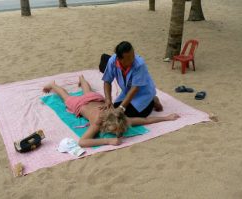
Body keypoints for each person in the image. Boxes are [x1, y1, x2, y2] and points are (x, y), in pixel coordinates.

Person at [43, 75, 180, 147]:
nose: (117, 133)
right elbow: (82, 142)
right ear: (105, 125)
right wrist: (107, 141)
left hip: (96, 99)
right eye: (114, 131)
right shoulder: (98, 122)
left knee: (88, 91)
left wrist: (167, 118)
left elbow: (145, 120)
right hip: (81, 104)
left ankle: (82, 79)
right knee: (66, 97)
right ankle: (54, 85)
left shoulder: (120, 118)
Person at [100, 41, 163, 118]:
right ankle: (149, 101)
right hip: (127, 91)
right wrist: (108, 100)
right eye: (129, 58)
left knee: (127, 114)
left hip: (144, 93)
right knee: (115, 107)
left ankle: (152, 100)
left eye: (133, 55)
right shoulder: (112, 61)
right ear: (120, 59)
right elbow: (107, 81)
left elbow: (135, 88)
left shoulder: (139, 64)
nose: (133, 59)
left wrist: (122, 107)